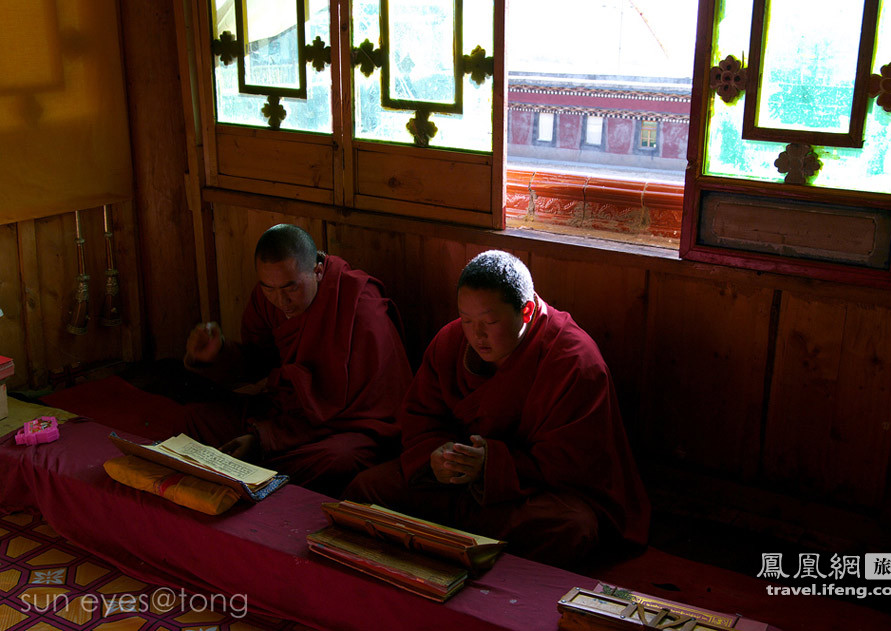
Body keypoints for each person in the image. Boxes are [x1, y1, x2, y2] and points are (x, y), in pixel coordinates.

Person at [345, 250, 650, 567]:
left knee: (571, 528)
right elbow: (420, 418)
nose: (476, 335)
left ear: (527, 311)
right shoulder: (451, 341)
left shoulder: (574, 362)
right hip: (454, 486)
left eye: (490, 322)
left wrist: (491, 465)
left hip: (525, 495)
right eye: (466, 320)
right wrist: (435, 457)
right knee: (366, 489)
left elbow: (573, 463)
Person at [184, 224, 412, 497]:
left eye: (291, 288)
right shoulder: (268, 298)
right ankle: (253, 472)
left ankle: (253, 473)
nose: (281, 301)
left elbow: (362, 411)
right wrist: (219, 353)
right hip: (286, 414)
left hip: (348, 427)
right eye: (269, 288)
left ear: (317, 271)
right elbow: (258, 362)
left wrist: (263, 439)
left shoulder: (361, 312)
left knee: (337, 460)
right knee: (198, 419)